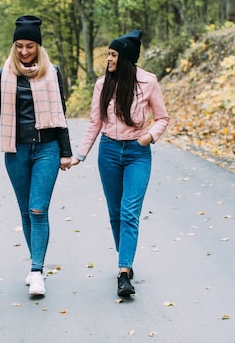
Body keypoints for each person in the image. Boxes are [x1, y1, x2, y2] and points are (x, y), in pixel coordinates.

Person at [0, 15, 72, 296]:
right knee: (26, 211)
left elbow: (60, 113)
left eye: (29, 46)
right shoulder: (4, 76)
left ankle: (37, 270)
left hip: (47, 149)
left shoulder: (53, 72)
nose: (24, 51)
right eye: (19, 46)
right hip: (16, 151)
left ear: (38, 46)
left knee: (38, 209)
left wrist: (66, 152)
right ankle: (35, 263)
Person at [69, 30, 170, 297]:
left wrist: (149, 136)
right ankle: (125, 254)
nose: (108, 59)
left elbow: (162, 118)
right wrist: (79, 155)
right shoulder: (103, 84)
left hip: (138, 153)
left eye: (113, 55)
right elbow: (95, 123)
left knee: (129, 213)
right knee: (115, 213)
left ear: (125, 58)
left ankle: (124, 272)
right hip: (109, 152)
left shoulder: (148, 82)